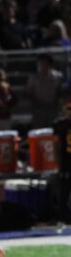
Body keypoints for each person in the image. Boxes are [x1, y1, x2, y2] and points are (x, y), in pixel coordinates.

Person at [55, 98, 71, 229]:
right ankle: (61, 219)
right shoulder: (60, 125)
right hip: (66, 161)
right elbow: (57, 146)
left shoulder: (61, 124)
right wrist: (59, 163)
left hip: (66, 161)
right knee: (64, 192)